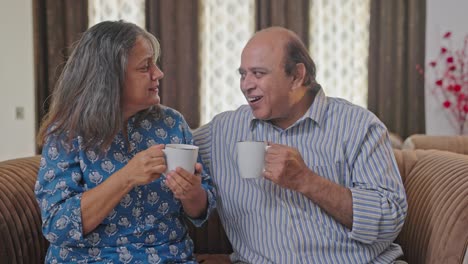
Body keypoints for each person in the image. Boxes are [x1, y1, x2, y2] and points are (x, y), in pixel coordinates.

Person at [194, 27, 407, 263]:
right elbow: (168, 144)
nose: (246, 85)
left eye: (258, 73)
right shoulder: (224, 131)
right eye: (243, 74)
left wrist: (307, 181)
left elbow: (389, 220)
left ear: (296, 76)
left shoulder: (359, 126)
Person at [35, 20, 216, 263]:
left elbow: (200, 211)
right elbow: (58, 226)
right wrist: (126, 176)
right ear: (110, 78)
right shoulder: (66, 134)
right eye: (145, 67)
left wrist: (192, 192)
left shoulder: (171, 123)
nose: (158, 73)